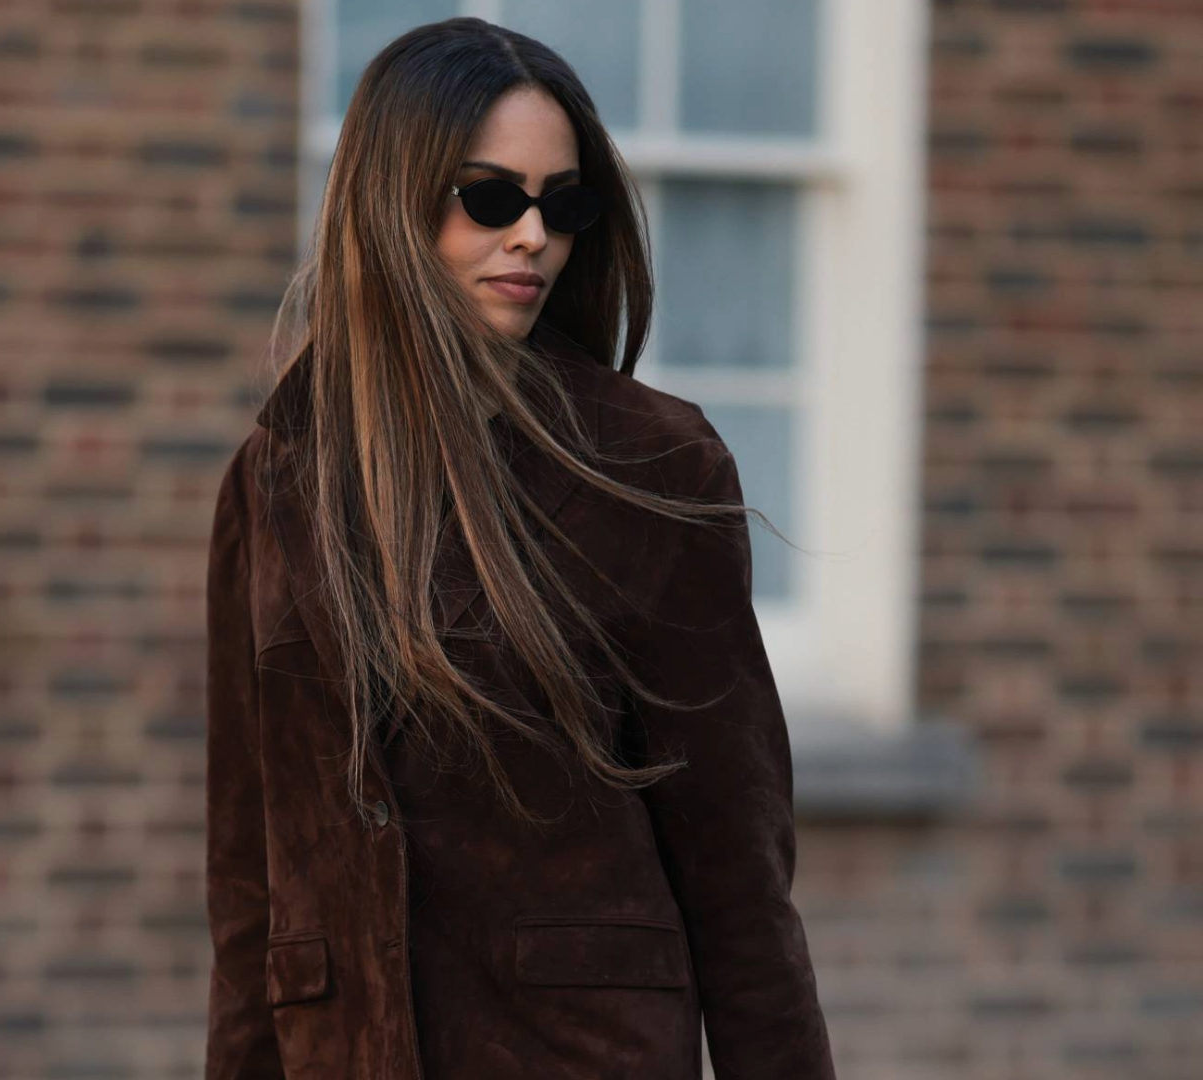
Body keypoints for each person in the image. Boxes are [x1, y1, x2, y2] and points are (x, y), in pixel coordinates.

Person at [205, 16, 836, 1080]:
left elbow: (740, 879)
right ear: (391, 200)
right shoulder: (274, 479)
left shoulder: (652, 466)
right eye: (491, 197)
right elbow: (248, 881)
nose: (532, 234)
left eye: (564, 203)